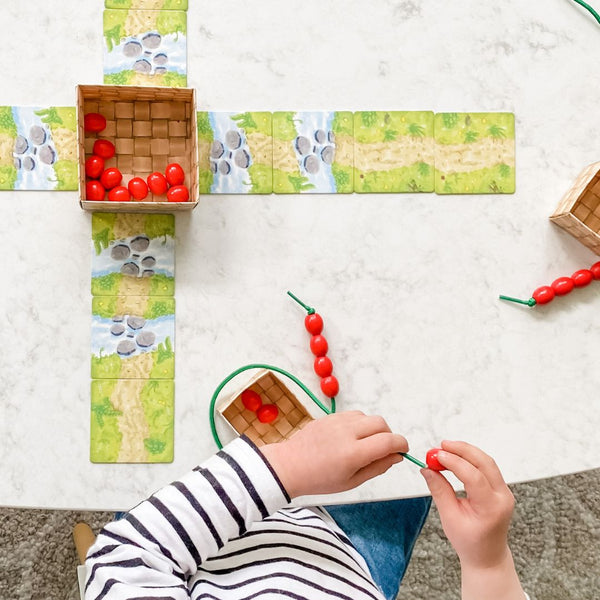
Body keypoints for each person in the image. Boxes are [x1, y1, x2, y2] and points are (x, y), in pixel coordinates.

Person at [83, 411, 528, 600]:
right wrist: (487, 563)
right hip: (350, 557)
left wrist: (291, 464)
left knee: (143, 440)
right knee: (407, 427)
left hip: (190, 545)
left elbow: (124, 557)